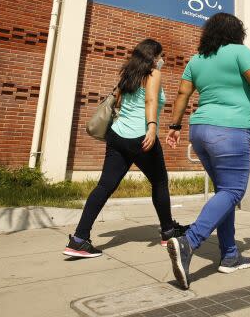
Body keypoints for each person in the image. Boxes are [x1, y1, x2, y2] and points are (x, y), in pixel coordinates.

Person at [165, 13, 250, 290]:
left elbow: (182, 95)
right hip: (231, 130)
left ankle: (230, 255)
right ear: (236, 32)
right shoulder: (239, 51)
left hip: (200, 129)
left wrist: (174, 125)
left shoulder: (196, 59)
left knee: (224, 191)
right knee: (233, 191)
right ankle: (190, 242)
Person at [64, 39, 186, 258]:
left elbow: (118, 102)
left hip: (117, 136)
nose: (163, 60)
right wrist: (151, 127)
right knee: (159, 181)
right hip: (141, 138)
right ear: (153, 57)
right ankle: (168, 232)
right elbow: (150, 101)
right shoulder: (152, 74)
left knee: (104, 186)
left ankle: (79, 239)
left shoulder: (128, 74)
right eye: (161, 56)